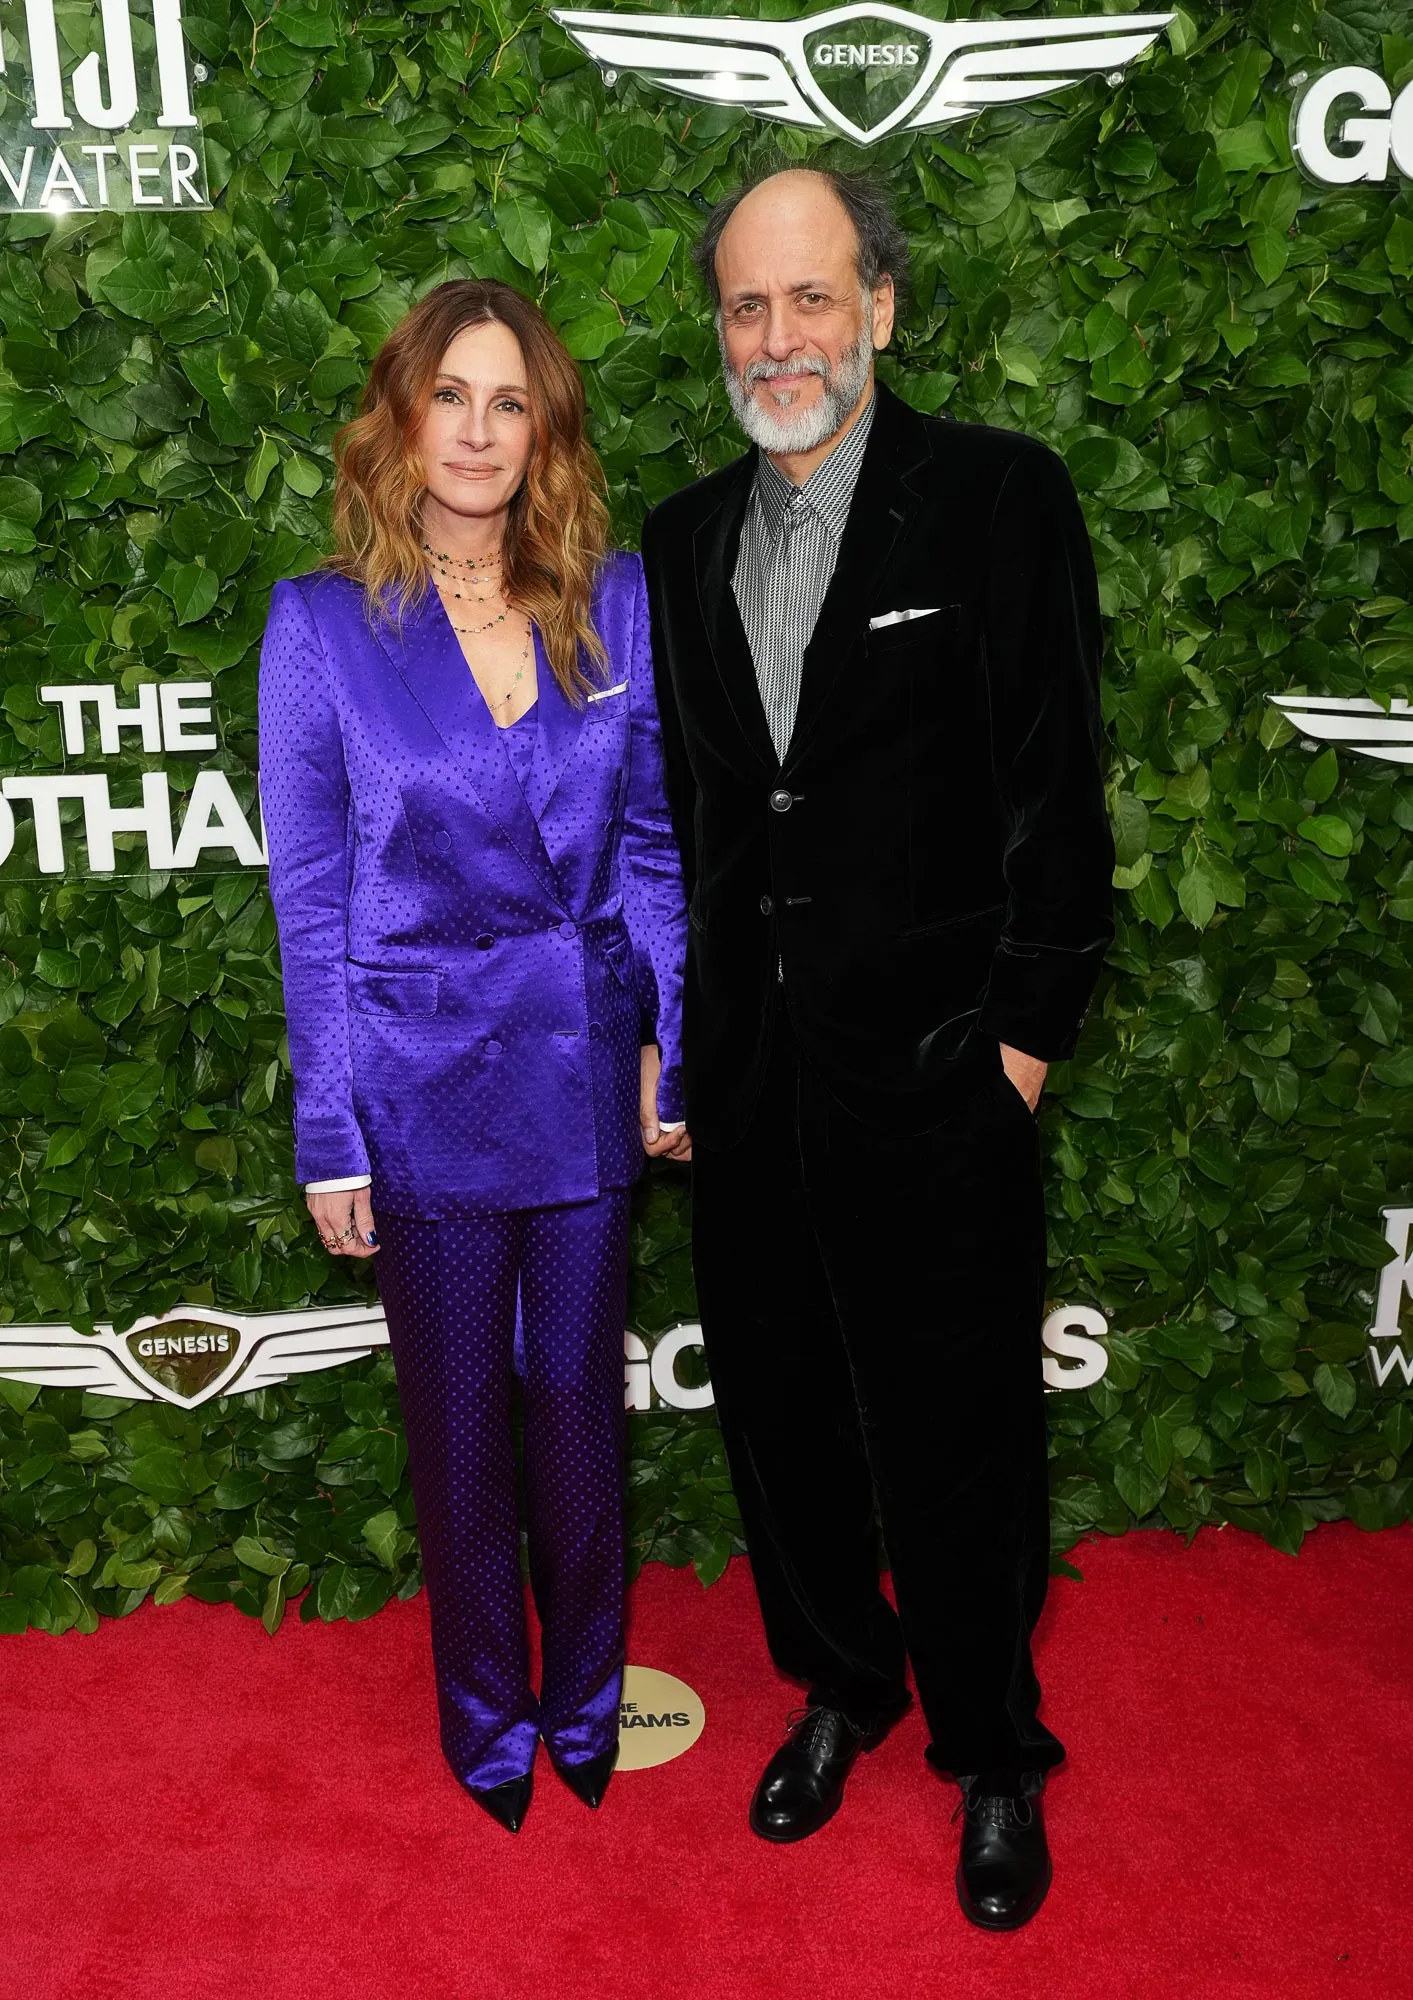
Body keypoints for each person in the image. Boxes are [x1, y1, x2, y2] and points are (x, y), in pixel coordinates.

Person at [641, 169, 1113, 1929]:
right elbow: (696, 824)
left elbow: (1057, 807)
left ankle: (994, 1748)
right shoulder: (681, 547)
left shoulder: (995, 499)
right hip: (751, 1086)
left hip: (940, 1079)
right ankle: (845, 1683)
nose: (780, 340)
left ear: (883, 310)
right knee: (782, 1419)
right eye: (749, 309)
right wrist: (676, 1048)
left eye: (812, 300)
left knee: (963, 1431)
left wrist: (1021, 1051)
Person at [258, 279, 690, 1835]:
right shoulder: (320, 628)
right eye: (454, 396)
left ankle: (586, 1705)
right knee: (456, 1426)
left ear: (544, 433)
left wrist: (675, 1048)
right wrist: (331, 1129)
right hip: (418, 1077)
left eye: (512, 403)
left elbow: (651, 844)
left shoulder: (614, 600)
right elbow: (310, 893)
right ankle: (485, 1723)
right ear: (402, 416)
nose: (481, 432)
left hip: (581, 1069)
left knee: (576, 1404)